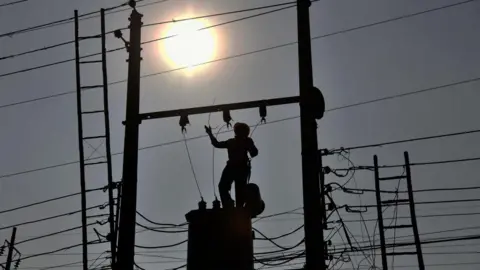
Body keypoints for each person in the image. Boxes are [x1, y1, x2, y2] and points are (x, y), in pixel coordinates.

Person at [205, 122, 258, 208]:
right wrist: (210, 133)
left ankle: (230, 205)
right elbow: (254, 153)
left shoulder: (234, 142)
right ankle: (233, 206)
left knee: (226, 187)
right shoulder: (239, 141)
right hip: (239, 168)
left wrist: (210, 133)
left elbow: (216, 144)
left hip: (235, 167)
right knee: (229, 187)